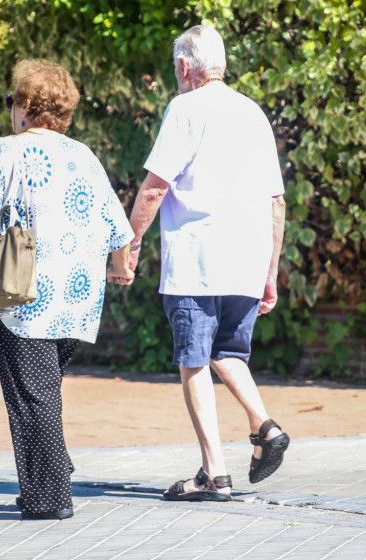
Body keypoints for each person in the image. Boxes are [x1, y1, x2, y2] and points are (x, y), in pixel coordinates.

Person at [0, 59, 134, 520]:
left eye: (13, 99)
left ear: (27, 106)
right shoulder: (84, 155)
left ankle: (50, 497)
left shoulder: (4, 151)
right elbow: (118, 227)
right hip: (78, 298)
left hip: (23, 294)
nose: (10, 108)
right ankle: (51, 469)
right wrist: (120, 270)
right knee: (42, 390)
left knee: (31, 397)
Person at [125, 25, 290, 501]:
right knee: (227, 353)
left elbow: (155, 187)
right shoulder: (253, 112)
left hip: (197, 261)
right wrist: (270, 272)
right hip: (247, 260)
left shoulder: (185, 108)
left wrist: (129, 247)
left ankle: (214, 474)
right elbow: (276, 201)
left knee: (194, 360)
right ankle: (265, 428)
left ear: (183, 67)